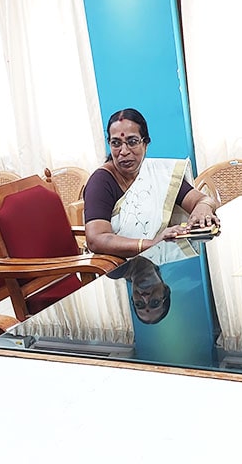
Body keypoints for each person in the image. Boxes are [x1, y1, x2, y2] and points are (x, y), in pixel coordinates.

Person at [83, 108, 220, 263]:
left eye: (132, 142)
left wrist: (203, 209)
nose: (124, 151)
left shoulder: (159, 173)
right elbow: (96, 239)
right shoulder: (101, 181)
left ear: (146, 143)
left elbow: (203, 200)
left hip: (158, 263)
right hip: (118, 268)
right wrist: (150, 243)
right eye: (116, 143)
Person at [109, 256, 172, 324]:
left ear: (133, 298)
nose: (145, 297)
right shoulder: (168, 253)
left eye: (139, 304)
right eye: (155, 302)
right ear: (165, 289)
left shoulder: (114, 269)